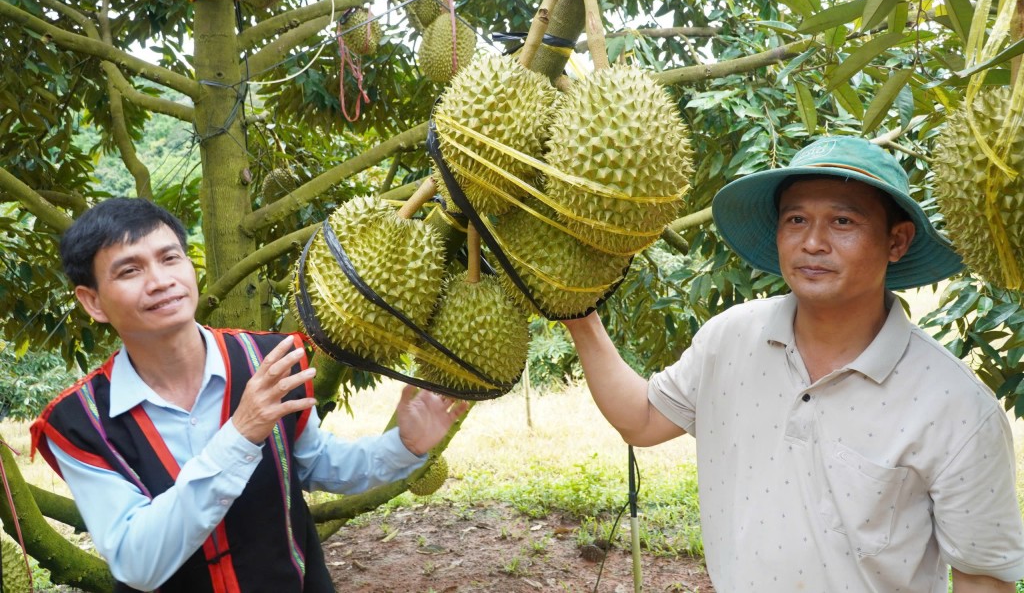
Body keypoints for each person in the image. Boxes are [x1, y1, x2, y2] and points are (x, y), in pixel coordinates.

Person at [563, 137, 1024, 592]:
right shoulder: (730, 338)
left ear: (896, 241)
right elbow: (642, 421)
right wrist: (578, 311)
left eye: (842, 221)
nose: (813, 243)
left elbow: (982, 578)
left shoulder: (957, 406)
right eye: (796, 219)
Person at [30, 197, 467, 593]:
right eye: (130, 270)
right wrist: (240, 435)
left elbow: (317, 464)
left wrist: (403, 445)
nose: (160, 280)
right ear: (93, 302)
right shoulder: (78, 422)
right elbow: (136, 561)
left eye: (170, 258)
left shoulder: (268, 360)